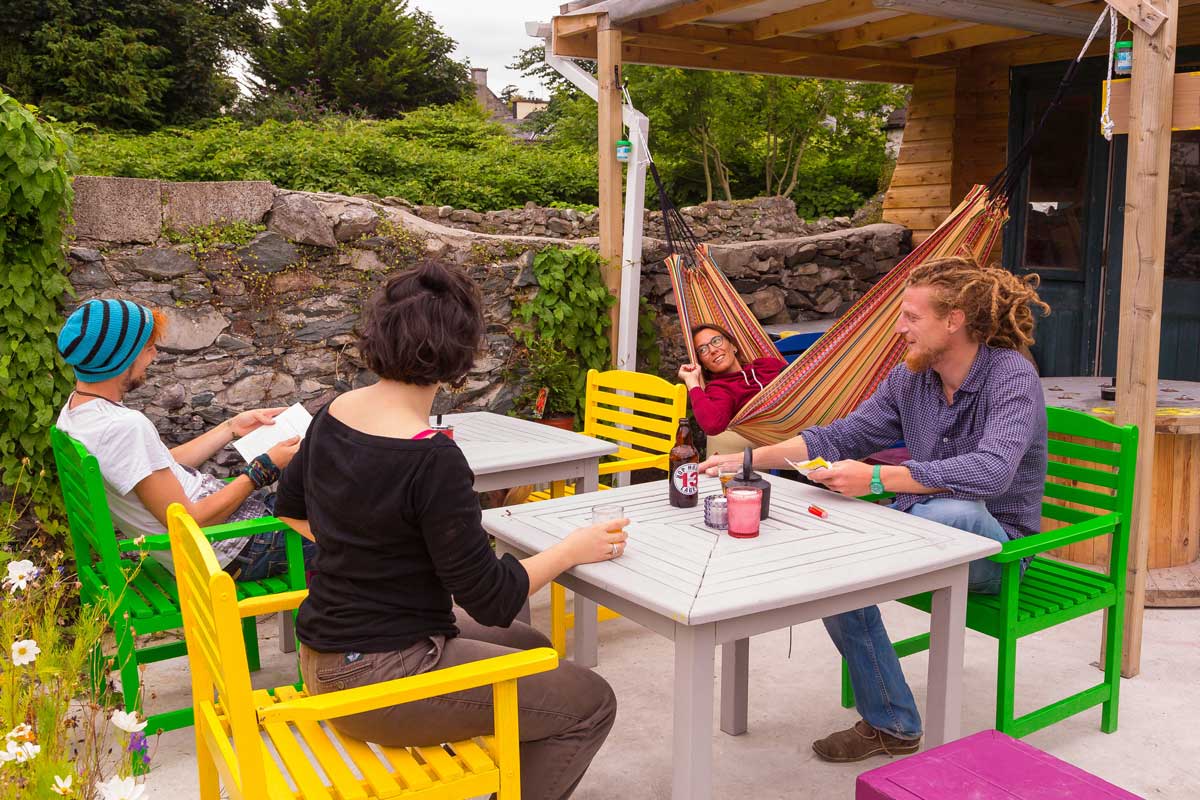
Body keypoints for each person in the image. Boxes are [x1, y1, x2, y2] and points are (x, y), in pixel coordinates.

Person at [273, 260, 622, 800]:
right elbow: (491, 598)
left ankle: (500, 778)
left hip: (323, 653)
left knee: (535, 648)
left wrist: (368, 557)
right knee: (590, 702)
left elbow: (289, 506)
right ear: (460, 353)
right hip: (378, 682)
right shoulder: (431, 457)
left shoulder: (334, 411)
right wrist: (572, 549)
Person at [701, 256, 1050, 762]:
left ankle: (869, 559)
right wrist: (752, 457)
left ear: (953, 321)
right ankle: (892, 721)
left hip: (999, 548)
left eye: (911, 316)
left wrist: (879, 478)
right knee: (838, 565)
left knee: (948, 513)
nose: (899, 327)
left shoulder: (1011, 377)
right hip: (918, 531)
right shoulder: (913, 376)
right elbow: (844, 434)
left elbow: (992, 471)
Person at [55, 298, 316, 580]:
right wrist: (262, 469)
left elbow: (156, 469)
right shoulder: (125, 427)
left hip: (229, 533)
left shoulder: (77, 415)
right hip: (233, 550)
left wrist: (230, 427)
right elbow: (192, 521)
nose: (154, 355)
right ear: (120, 360)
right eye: (147, 348)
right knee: (353, 532)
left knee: (329, 504)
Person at [678, 324, 788, 454]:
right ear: (703, 365)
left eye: (716, 341)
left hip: (801, 424)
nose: (713, 350)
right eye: (703, 350)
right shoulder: (720, 389)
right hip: (774, 441)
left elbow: (801, 382)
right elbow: (713, 425)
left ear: (733, 346)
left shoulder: (766, 365)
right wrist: (691, 382)